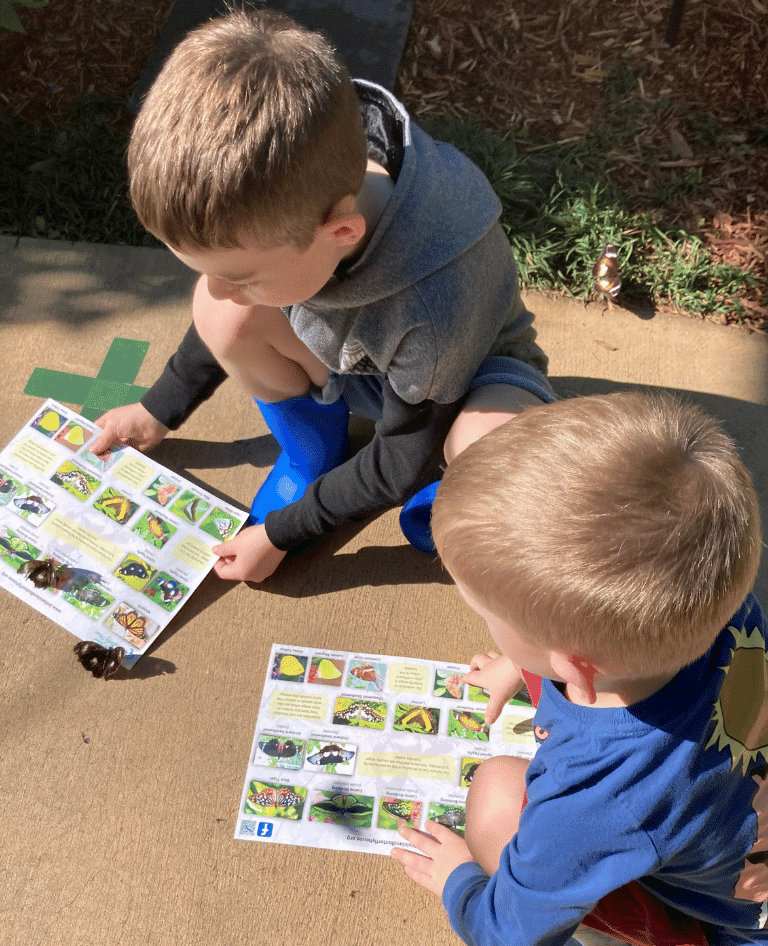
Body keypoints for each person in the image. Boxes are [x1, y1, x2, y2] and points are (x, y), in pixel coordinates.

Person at [89, 7, 555, 583]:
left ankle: (450, 480)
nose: (220, 286)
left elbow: (400, 459)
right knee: (219, 313)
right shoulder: (308, 186)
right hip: (363, 360)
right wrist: (156, 409)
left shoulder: (435, 303)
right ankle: (314, 455)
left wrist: (287, 529)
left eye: (244, 273)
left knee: (489, 452)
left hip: (463, 384)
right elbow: (233, 293)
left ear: (340, 233)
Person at [391, 391, 767, 946]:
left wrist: (459, 882)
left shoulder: (597, 797)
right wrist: (521, 665)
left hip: (721, 927)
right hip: (731, 830)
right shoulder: (724, 601)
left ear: (577, 666)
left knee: (496, 795)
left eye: (488, 613)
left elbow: (509, 932)